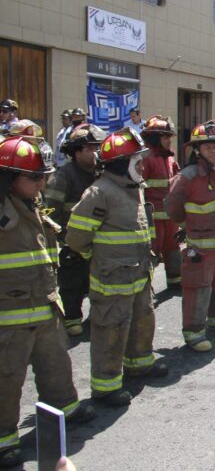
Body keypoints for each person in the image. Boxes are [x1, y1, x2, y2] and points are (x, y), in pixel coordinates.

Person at [0, 135, 96, 468]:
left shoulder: (30, 205)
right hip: (8, 315)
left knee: (56, 364)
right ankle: (4, 439)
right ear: (10, 177)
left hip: (45, 304)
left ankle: (66, 408)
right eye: (35, 177)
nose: (43, 182)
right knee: (6, 377)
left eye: (44, 176)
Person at [67, 128, 168, 406]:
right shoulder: (100, 192)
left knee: (142, 319)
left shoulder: (135, 188)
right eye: (137, 160)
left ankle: (139, 364)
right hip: (112, 278)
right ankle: (106, 386)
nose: (142, 165)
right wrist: (100, 258)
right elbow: (76, 238)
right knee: (110, 328)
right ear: (121, 164)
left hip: (138, 273)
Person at [165, 122, 215, 352]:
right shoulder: (187, 176)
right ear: (197, 150)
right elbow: (172, 206)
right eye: (208, 147)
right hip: (201, 246)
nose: (214, 151)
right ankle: (194, 333)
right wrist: (189, 226)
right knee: (198, 288)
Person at [46, 123, 105, 336]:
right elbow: (50, 211)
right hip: (72, 242)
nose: (95, 153)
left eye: (98, 147)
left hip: (97, 240)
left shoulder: (101, 173)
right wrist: (64, 238)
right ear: (76, 152)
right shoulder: (64, 176)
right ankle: (72, 318)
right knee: (72, 282)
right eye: (90, 149)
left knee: (96, 280)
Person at [141, 116, 182, 291]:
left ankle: (175, 281)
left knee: (173, 249)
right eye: (165, 137)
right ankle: (146, 288)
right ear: (155, 138)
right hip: (154, 217)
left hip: (170, 216)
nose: (168, 141)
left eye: (169, 137)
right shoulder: (146, 158)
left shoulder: (170, 158)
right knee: (153, 251)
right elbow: (140, 188)